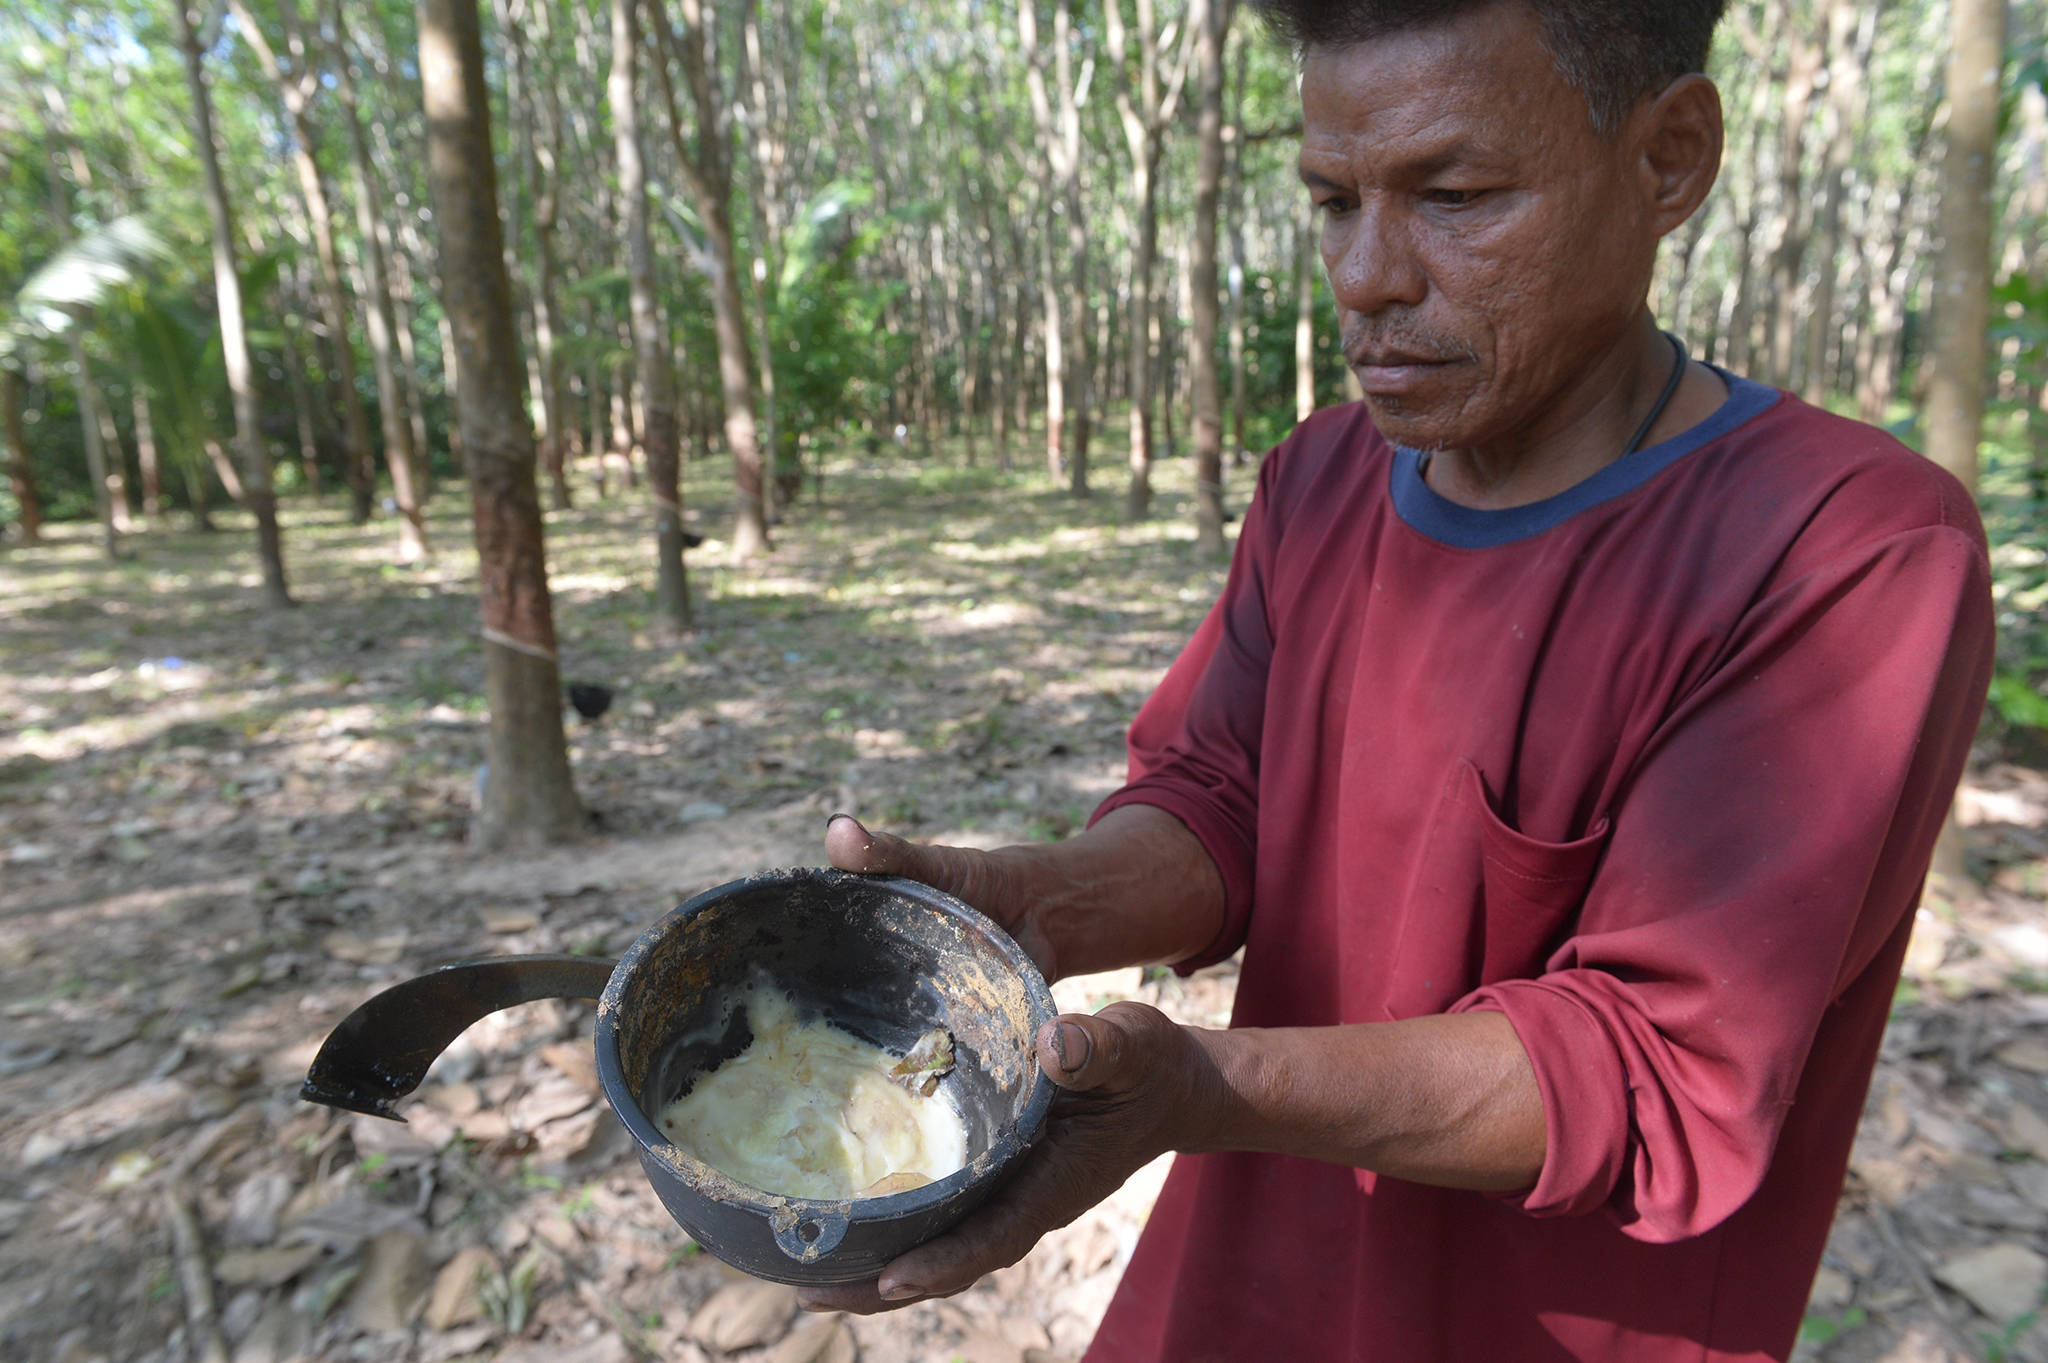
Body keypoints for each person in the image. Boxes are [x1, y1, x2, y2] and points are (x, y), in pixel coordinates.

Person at [796, 1, 1995, 1358]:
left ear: (1668, 160)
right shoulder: (1321, 482)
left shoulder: (1842, 548)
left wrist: (1197, 1083)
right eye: (1330, 200)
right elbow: (1221, 796)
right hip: (1250, 1270)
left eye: (1457, 196)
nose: (1367, 275)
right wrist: (1018, 908)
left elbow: (1655, 1063)